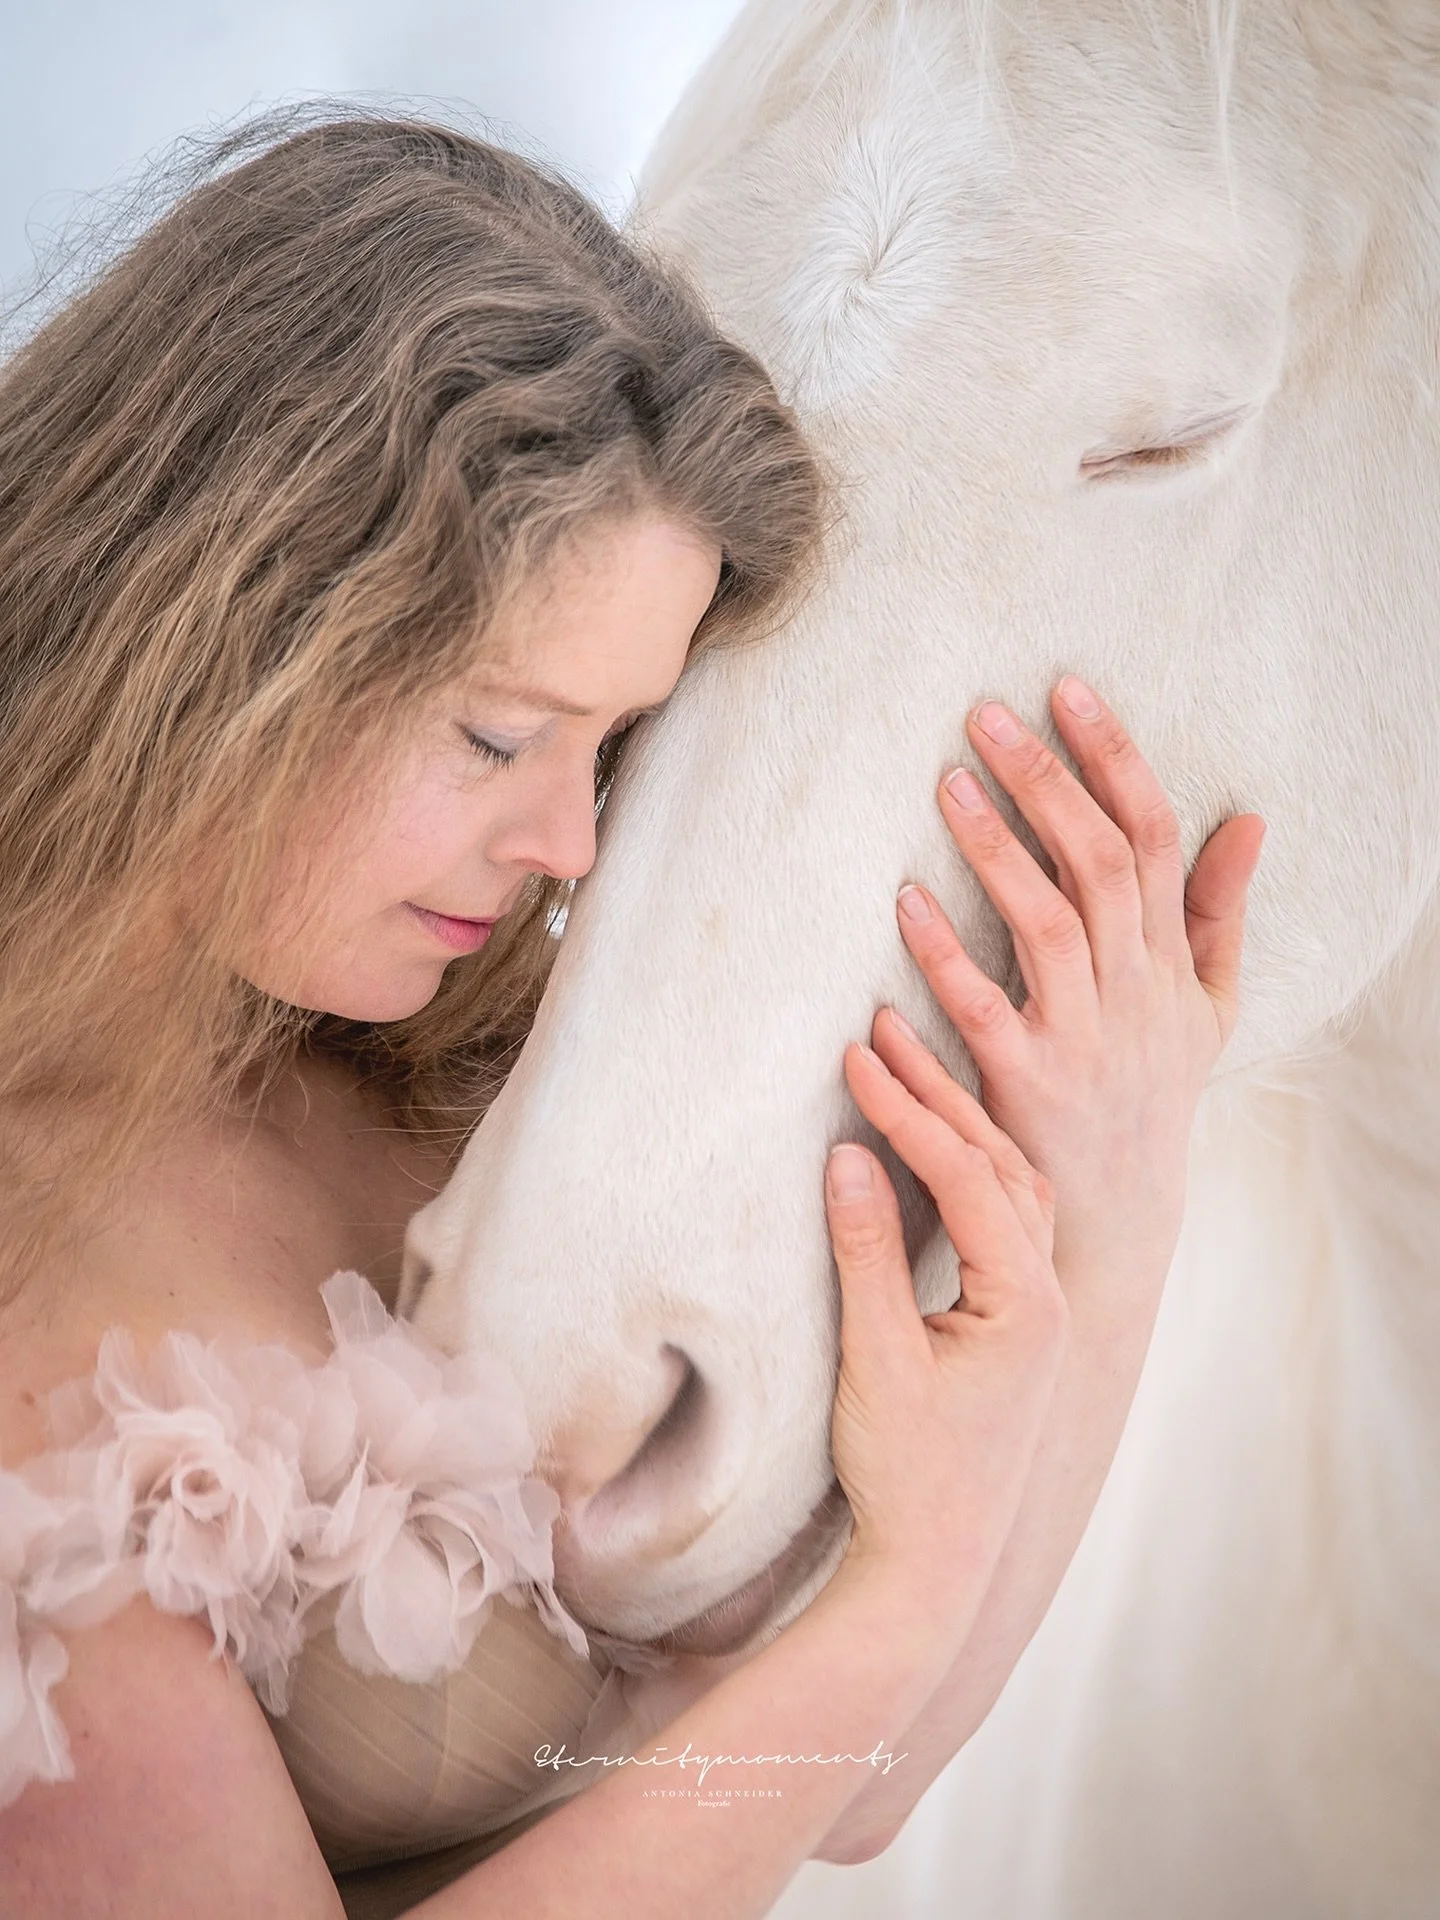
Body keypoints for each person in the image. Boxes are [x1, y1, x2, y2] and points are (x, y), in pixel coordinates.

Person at [0, 110, 1265, 1917]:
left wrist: (1117, 1208)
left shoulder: (454, 1083)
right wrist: (905, 1580)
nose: (568, 842)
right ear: (218, 633)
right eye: (497, 734)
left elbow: (848, 1782)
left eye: (609, 747)